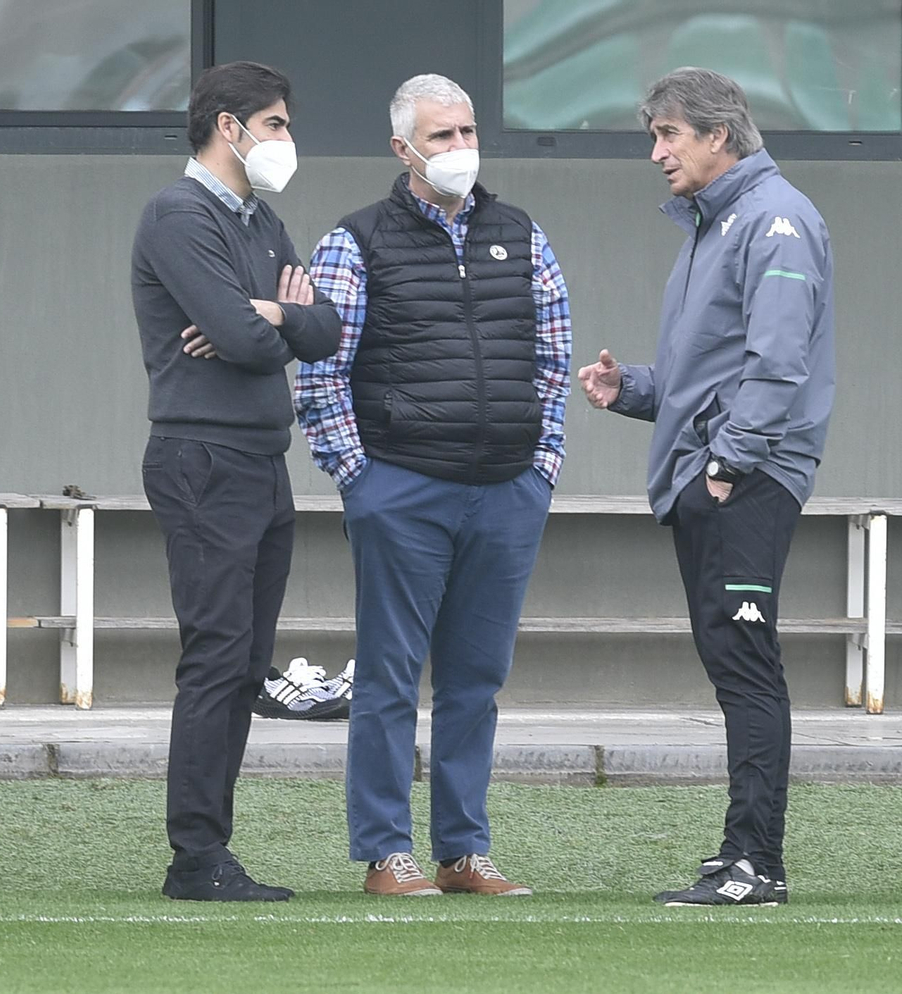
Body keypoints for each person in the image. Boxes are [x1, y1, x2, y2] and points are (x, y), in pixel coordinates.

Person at [295, 73, 572, 897]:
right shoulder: (355, 240)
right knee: (387, 676)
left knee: (476, 679)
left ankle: (462, 852)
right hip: (402, 489)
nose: (459, 149)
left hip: (507, 490)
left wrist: (542, 467)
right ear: (403, 148)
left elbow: (553, 359)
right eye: (442, 136)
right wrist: (360, 479)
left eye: (466, 132)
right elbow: (321, 370)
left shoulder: (522, 235)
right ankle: (386, 853)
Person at [578, 67, 834, 907]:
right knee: (734, 666)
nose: (656, 153)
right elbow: (714, 370)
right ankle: (741, 856)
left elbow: (779, 362)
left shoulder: (775, 220)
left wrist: (728, 464)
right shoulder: (716, 225)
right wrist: (639, 391)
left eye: (668, 135)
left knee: (747, 667)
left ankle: (756, 864)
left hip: (743, 481)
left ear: (719, 135)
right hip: (716, 474)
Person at [130, 61, 342, 902]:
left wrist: (275, 315)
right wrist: (264, 319)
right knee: (217, 657)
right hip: (203, 460)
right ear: (231, 126)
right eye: (279, 124)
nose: (287, 140)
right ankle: (197, 857)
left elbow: (323, 329)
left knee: (245, 663)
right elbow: (240, 337)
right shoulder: (179, 214)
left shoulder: (260, 219)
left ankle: (211, 850)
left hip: (260, 461)